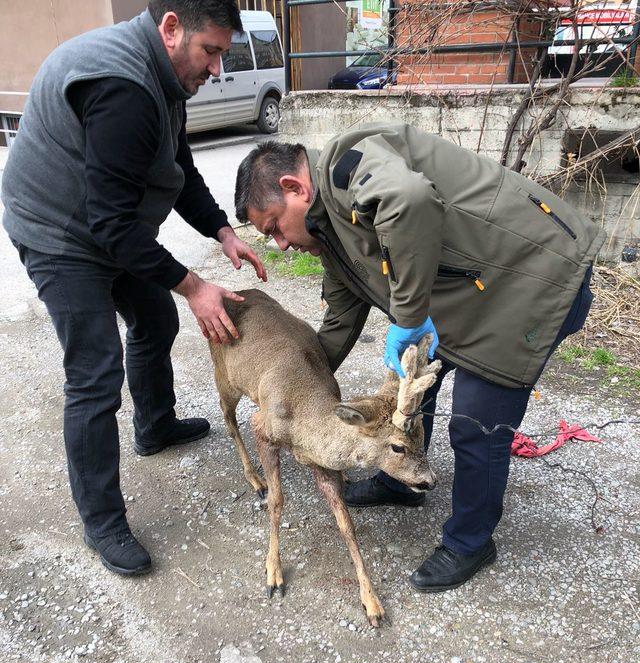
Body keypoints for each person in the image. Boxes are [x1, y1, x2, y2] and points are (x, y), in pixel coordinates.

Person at [233, 124, 604, 592]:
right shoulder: (329, 234)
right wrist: (296, 384)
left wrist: (407, 318)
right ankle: (403, 480)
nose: (281, 243)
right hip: (473, 289)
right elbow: (340, 321)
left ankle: (471, 541)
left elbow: (409, 200)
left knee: (475, 419)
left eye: (273, 228)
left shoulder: (348, 165)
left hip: (532, 276)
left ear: (294, 188)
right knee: (405, 386)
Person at [1, 0, 267, 577]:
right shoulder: (122, 85)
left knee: (155, 319)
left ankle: (154, 426)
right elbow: (111, 225)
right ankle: (102, 520)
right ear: (171, 28)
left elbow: (179, 166)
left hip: (107, 224)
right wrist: (194, 285)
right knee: (95, 374)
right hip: (59, 231)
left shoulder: (165, 75)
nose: (217, 68)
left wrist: (221, 230)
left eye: (223, 53)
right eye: (212, 52)